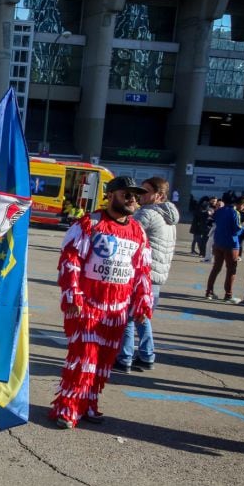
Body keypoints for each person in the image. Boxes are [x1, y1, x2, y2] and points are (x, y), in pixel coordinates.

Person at [50, 176, 152, 429]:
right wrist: (73, 294)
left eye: (136, 196)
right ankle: (68, 407)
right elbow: (71, 260)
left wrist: (142, 303)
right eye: (126, 194)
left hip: (117, 310)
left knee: (103, 361)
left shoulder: (138, 231)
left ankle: (89, 404)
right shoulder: (89, 224)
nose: (132, 200)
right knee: (83, 358)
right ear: (110, 195)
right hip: (88, 306)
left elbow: (142, 270)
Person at [116, 177, 178, 373]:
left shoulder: (148, 214)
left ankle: (124, 357)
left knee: (127, 316)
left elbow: (128, 237)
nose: (141, 195)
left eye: (146, 191)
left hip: (142, 274)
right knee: (142, 316)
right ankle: (146, 355)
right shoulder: (169, 217)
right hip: (157, 276)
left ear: (159, 195)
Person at [205, 196, 244, 302]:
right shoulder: (235, 213)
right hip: (231, 244)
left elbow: (212, 220)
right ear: (242, 204)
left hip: (218, 242)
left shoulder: (220, 210)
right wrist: (243, 226)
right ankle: (228, 295)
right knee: (231, 270)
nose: (243, 209)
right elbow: (236, 230)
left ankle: (209, 292)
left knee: (216, 268)